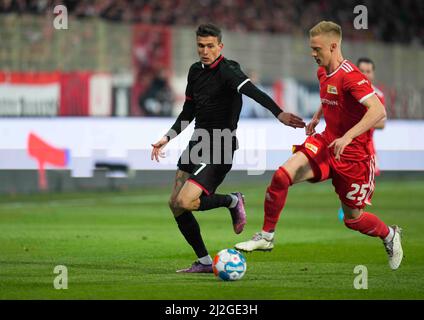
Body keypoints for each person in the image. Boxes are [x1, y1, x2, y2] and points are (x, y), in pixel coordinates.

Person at [235, 21, 403, 270]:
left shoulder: (351, 76)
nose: (312, 54)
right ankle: (267, 236)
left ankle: (389, 234)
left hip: (354, 157)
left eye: (317, 49)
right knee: (282, 176)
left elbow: (378, 111)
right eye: (311, 48)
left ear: (333, 46)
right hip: (326, 142)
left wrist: (347, 137)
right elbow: (330, 97)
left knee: (353, 220)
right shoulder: (323, 72)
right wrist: (316, 117)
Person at [151, 23, 305, 273]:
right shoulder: (194, 71)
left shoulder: (229, 70)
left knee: (186, 200)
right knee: (175, 204)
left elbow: (253, 92)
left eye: (210, 46)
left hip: (221, 144)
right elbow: (188, 111)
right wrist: (167, 137)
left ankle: (232, 200)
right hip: (197, 141)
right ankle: (202, 261)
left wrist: (279, 114)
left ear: (220, 46)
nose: (205, 50)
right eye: (200, 46)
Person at [357, 57, 386, 176]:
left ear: (373, 74)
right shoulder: (348, 91)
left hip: (367, 147)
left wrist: (361, 123)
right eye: (361, 70)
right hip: (347, 145)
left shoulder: (378, 95)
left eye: (368, 71)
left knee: (367, 187)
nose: (365, 74)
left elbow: (382, 123)